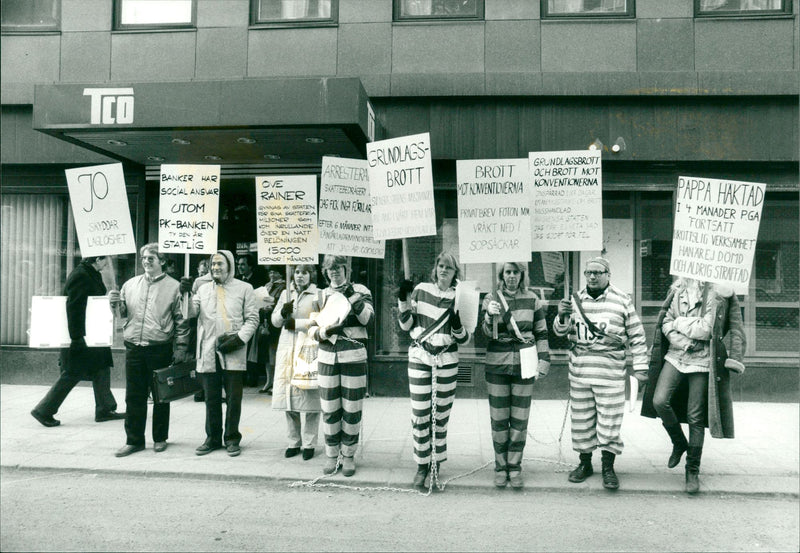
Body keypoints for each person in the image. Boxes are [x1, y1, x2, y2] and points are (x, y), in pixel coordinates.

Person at [641, 277, 746, 494]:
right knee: (659, 401)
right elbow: (665, 325)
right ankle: (679, 442)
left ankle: (692, 470)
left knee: (695, 416)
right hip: (676, 355)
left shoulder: (716, 293)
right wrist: (685, 342)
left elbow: (707, 330)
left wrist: (679, 323)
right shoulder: (677, 290)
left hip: (703, 360)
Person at [553, 257, 648, 490]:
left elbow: (637, 336)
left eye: (597, 272)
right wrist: (562, 315)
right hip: (581, 371)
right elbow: (559, 332)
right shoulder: (574, 300)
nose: (592, 277)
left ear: (608, 274)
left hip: (610, 372)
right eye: (588, 272)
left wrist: (641, 367)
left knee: (609, 421)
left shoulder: (622, 301)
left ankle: (608, 467)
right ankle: (585, 464)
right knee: (582, 420)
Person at [397, 252, 470, 489]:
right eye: (440, 265)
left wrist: (458, 325)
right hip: (420, 356)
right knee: (420, 413)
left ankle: (436, 463)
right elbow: (406, 325)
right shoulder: (421, 290)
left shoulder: (462, 297)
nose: (443, 270)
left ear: (455, 272)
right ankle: (421, 464)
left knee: (440, 415)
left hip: (446, 359)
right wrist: (403, 299)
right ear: (435, 268)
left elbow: (466, 338)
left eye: (449, 267)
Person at [110, 243, 190, 457]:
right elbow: (123, 314)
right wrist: (114, 304)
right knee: (133, 396)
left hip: (160, 347)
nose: (146, 261)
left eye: (151, 258)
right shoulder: (130, 284)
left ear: (162, 261)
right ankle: (134, 440)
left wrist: (181, 347)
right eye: (144, 258)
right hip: (134, 346)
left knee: (161, 395)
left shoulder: (174, 287)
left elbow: (181, 321)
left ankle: (160, 438)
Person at [481, 262, 551, 489]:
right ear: (502, 275)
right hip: (497, 364)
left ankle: (515, 466)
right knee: (499, 418)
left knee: (520, 419)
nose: (511, 276)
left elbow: (541, 332)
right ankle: (500, 466)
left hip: (525, 363)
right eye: (507, 272)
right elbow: (484, 334)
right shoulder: (491, 298)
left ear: (522, 275)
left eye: (515, 272)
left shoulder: (532, 299)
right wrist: (488, 317)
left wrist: (544, 359)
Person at [31, 256, 124, 426]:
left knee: (101, 367)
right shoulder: (81, 275)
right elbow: (74, 307)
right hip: (83, 334)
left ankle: (105, 408)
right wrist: (77, 337)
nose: (107, 263)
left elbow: (91, 302)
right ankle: (43, 410)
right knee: (73, 372)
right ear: (98, 259)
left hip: (93, 332)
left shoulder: (90, 273)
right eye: (106, 259)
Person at [182, 250, 259, 457]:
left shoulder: (244, 288)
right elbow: (189, 313)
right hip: (208, 350)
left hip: (233, 350)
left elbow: (252, 319)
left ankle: (232, 438)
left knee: (234, 398)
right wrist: (186, 294)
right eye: (213, 264)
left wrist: (239, 339)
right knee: (211, 397)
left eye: (220, 264)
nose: (215, 268)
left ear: (230, 266)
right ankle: (213, 438)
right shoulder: (202, 288)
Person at [307, 255, 373, 477]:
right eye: (330, 268)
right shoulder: (320, 295)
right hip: (327, 357)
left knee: (352, 409)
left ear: (347, 268)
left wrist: (351, 296)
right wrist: (325, 332)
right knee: (330, 408)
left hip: (353, 355)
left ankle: (349, 454)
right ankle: (331, 453)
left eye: (338, 267)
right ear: (325, 272)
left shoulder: (361, 290)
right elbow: (311, 329)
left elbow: (367, 319)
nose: (334, 272)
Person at [270, 264, 322, 461]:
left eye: (305, 272)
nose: (300, 276)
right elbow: (275, 321)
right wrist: (283, 312)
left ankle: (309, 443)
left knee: (309, 397)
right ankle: (293, 441)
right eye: (297, 272)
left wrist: (297, 324)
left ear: (311, 275)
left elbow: (320, 321)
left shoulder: (317, 294)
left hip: (307, 347)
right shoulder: (286, 293)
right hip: (287, 349)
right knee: (289, 397)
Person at [253, 265, 286, 391]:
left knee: (274, 353)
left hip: (275, 324)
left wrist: (274, 302)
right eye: (270, 272)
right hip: (265, 322)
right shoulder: (267, 286)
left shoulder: (284, 287)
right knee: (266, 355)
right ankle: (269, 381)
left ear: (281, 274)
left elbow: (284, 302)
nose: (272, 275)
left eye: (275, 272)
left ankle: (276, 382)